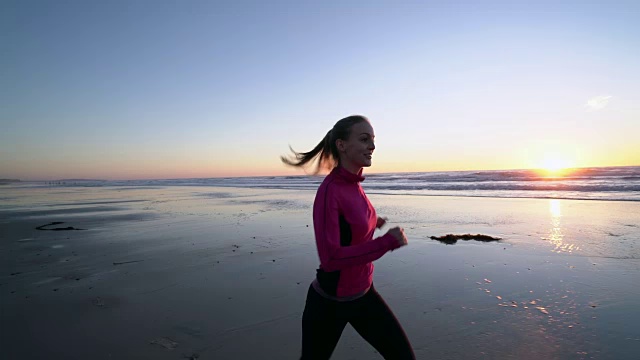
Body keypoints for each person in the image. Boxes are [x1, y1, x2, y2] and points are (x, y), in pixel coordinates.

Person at [281, 115, 415, 359]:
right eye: (364, 139)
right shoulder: (329, 192)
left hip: (365, 295)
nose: (372, 146)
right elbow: (331, 258)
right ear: (342, 145)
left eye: (373, 140)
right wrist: (386, 243)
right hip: (330, 304)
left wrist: (373, 223)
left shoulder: (355, 185)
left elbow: (351, 225)